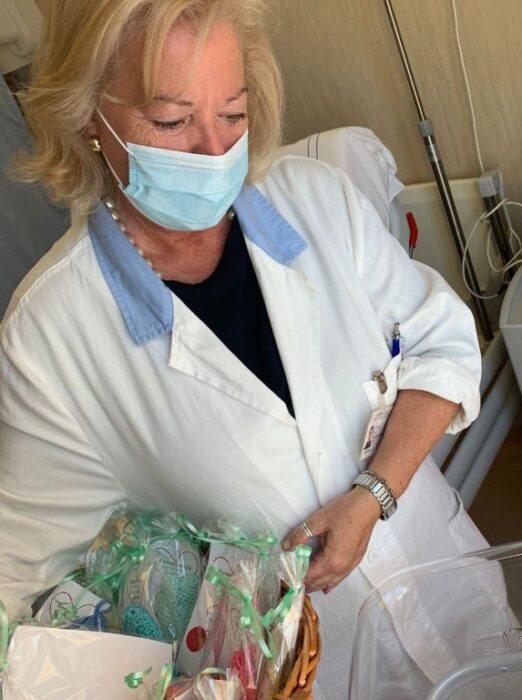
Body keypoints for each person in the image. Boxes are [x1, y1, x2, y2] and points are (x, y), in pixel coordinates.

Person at [0, 0, 488, 696]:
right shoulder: (50, 337)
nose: (214, 151)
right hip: (310, 675)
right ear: (87, 118)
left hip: (453, 592)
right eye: (171, 121)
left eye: (232, 112)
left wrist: (375, 492)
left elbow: (442, 343)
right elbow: (24, 593)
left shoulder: (318, 201)